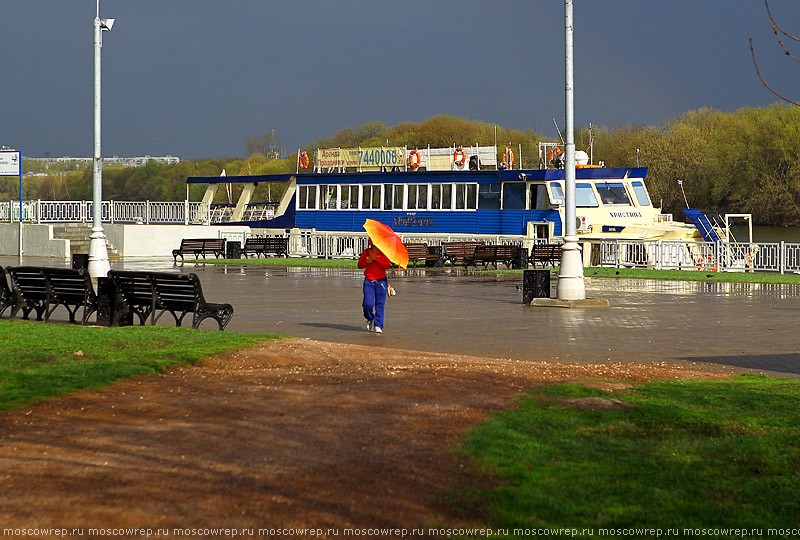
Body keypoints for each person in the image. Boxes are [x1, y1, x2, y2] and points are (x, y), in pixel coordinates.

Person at [357, 241, 392, 334]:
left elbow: (387, 265)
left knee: (380, 304)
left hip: (381, 282)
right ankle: (370, 317)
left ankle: (378, 325)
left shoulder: (383, 252)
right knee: (367, 304)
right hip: (369, 281)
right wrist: (366, 261)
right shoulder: (366, 252)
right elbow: (359, 265)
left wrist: (376, 259)